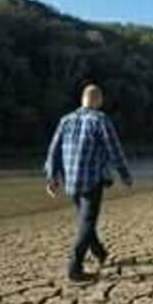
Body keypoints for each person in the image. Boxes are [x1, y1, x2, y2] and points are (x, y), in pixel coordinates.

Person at [45, 84, 133, 282]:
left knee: (86, 220)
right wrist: (125, 174)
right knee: (87, 222)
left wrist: (52, 177)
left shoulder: (65, 120)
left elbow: (54, 150)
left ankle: (100, 254)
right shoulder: (100, 119)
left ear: (82, 99)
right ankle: (74, 268)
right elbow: (114, 150)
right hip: (92, 180)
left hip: (72, 181)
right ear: (98, 100)